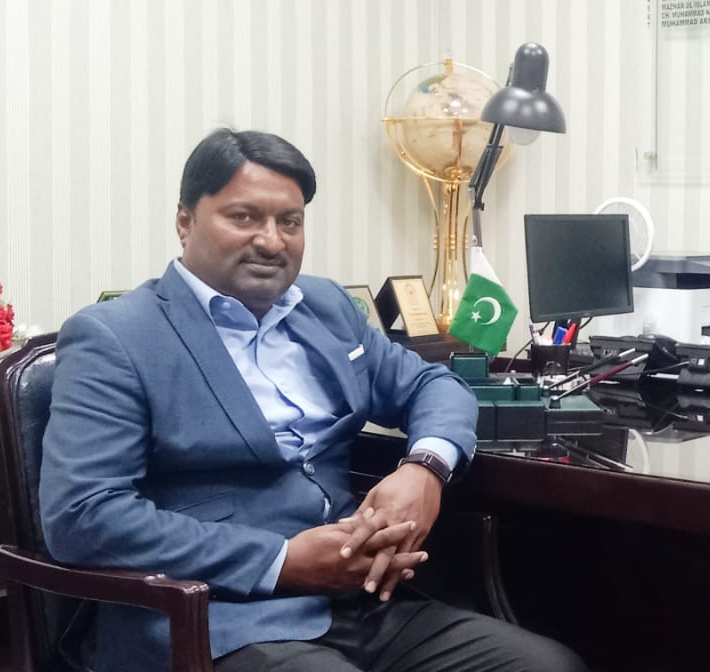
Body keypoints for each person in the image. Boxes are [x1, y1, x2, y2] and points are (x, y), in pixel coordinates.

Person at [40, 129, 586, 672]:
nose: (272, 241)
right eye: (244, 217)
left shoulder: (324, 307)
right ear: (185, 221)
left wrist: (425, 469)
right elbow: (83, 515)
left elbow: (433, 385)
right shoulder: (117, 336)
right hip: (215, 617)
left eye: (290, 221)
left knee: (547, 665)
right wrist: (280, 562)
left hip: (362, 601)